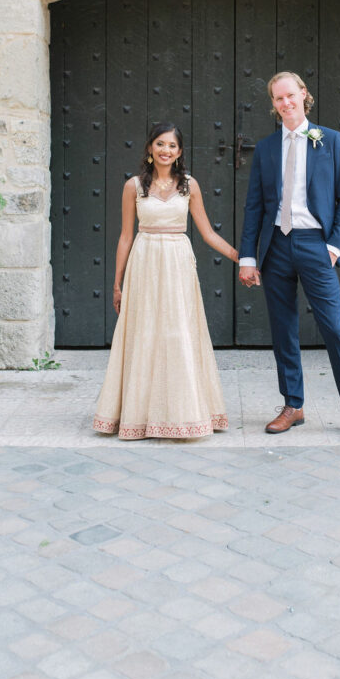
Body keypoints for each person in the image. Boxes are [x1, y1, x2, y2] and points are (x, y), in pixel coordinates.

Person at [238, 72, 340, 442]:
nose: (285, 103)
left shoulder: (329, 140)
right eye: (278, 99)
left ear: (303, 95)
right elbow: (253, 208)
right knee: (283, 330)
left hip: (315, 245)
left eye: (290, 96)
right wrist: (249, 256)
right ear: (274, 104)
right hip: (276, 245)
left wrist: (333, 246)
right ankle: (293, 405)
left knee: (333, 327)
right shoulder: (265, 148)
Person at [93, 122, 238, 440]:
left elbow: (207, 233)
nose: (165, 150)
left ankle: (183, 412)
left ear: (180, 152)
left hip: (177, 263)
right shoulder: (133, 186)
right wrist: (117, 284)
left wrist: (241, 257)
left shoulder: (189, 185)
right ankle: (138, 415)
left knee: (178, 333)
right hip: (144, 262)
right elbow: (125, 236)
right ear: (149, 148)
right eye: (160, 144)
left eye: (172, 146)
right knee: (145, 334)